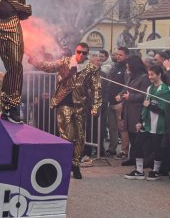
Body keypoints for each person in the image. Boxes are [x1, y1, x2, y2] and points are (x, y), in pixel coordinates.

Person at [30, 43, 102, 179]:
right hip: (64, 103)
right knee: (67, 136)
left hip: (80, 105)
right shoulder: (65, 62)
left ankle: (75, 165)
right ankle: (65, 165)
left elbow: (96, 88)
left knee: (80, 137)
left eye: (85, 53)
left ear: (87, 54)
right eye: (79, 52)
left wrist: (96, 106)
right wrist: (33, 58)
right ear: (75, 51)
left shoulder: (91, 68)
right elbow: (48, 67)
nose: (81, 55)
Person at [126, 64, 170, 180]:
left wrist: (150, 105)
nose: (150, 77)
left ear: (159, 75)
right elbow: (145, 106)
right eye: (149, 75)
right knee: (138, 144)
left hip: (158, 123)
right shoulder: (149, 88)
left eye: (152, 75)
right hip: (147, 122)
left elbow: (164, 108)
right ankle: (139, 170)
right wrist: (140, 121)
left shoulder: (166, 89)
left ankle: (155, 171)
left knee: (157, 147)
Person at [119, 55, 149, 166]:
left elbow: (144, 95)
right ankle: (133, 158)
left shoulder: (144, 77)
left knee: (137, 137)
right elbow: (126, 88)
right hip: (129, 109)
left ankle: (140, 159)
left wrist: (130, 97)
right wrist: (122, 95)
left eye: (128, 66)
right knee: (131, 135)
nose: (127, 68)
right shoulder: (131, 76)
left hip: (137, 110)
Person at [104, 47, 129, 158]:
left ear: (126, 56)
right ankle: (112, 148)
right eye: (117, 54)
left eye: (121, 55)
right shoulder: (114, 67)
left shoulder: (126, 69)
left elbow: (127, 85)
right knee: (112, 127)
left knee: (122, 127)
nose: (118, 56)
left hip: (120, 102)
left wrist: (121, 95)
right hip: (110, 101)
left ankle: (124, 151)